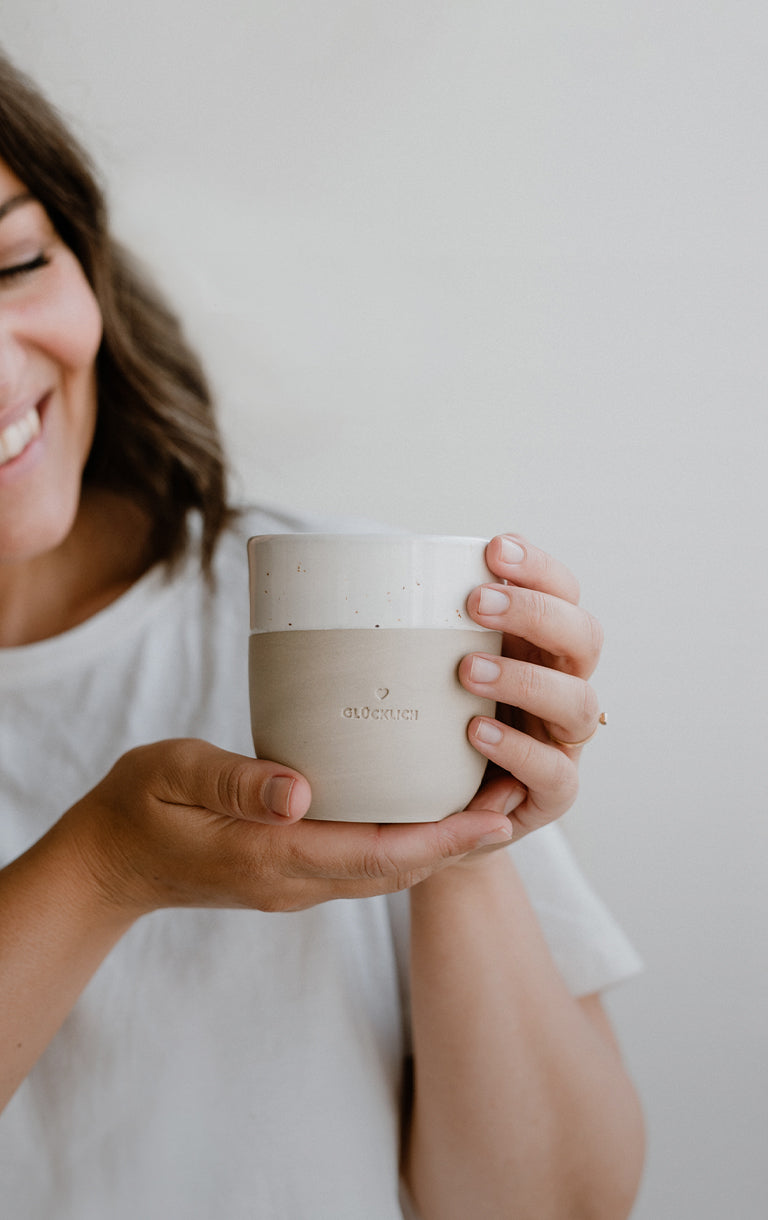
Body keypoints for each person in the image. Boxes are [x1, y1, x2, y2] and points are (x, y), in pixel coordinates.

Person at [0, 49, 644, 1220]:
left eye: (12, 261)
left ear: (84, 254)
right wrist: (105, 869)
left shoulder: (337, 604)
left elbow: (553, 1207)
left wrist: (461, 829)